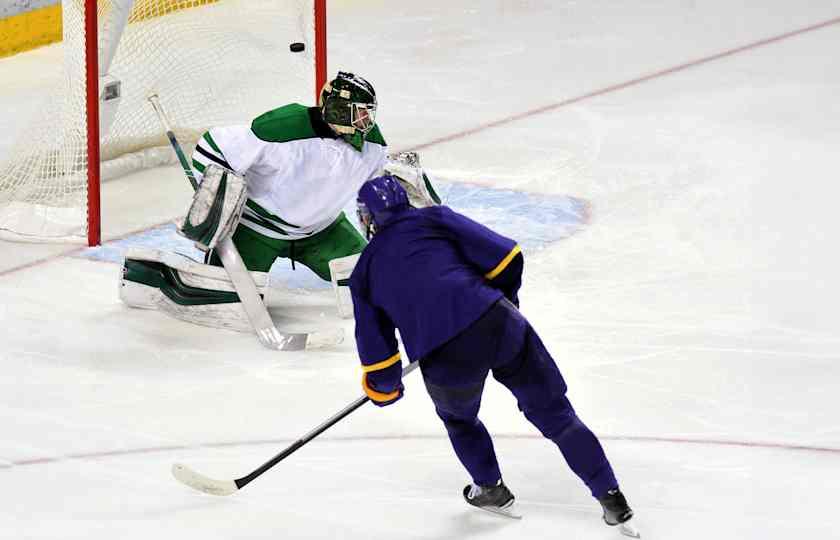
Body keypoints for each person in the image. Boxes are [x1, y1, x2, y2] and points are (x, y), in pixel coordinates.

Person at [348, 175, 637, 534]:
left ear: (367, 217)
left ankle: (491, 490)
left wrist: (385, 387)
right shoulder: (435, 218)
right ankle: (612, 499)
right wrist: (504, 302)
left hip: (445, 355)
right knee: (558, 416)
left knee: (459, 420)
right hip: (499, 321)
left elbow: (376, 347)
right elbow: (506, 256)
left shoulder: (364, 272)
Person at [190, 70, 386, 280]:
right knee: (226, 296)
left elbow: (375, 193)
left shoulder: (373, 144)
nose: (365, 121)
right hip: (256, 229)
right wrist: (212, 210)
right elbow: (211, 148)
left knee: (378, 278)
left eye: (367, 112)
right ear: (336, 109)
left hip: (324, 231)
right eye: (358, 112)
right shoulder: (282, 127)